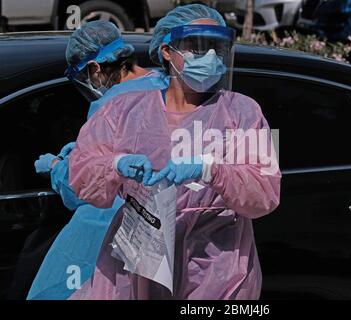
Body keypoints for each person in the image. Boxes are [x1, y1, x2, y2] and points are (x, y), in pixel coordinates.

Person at [68, 4, 281, 300]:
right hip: (136, 264)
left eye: (217, 48)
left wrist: (210, 170)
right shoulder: (123, 112)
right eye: (196, 46)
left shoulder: (244, 112)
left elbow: (266, 193)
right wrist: (116, 164)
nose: (208, 56)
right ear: (167, 51)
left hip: (218, 268)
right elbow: (81, 175)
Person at [27, 21, 169, 300]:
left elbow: (82, 188)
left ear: (95, 68)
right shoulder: (168, 86)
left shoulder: (109, 108)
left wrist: (57, 168)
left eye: (84, 77)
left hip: (120, 236)